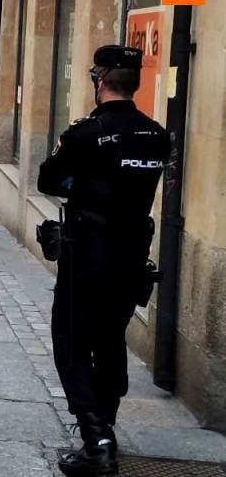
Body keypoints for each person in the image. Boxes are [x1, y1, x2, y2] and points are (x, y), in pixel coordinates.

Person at [37, 45, 170, 477]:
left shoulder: (84, 134)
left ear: (100, 81)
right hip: (131, 256)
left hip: (87, 254)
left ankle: (96, 438)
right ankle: (105, 426)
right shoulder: (156, 134)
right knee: (111, 339)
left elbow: (49, 179)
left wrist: (81, 181)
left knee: (72, 340)